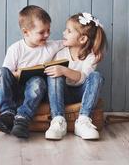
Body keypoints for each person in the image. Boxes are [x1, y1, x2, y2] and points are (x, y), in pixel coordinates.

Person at [0, 5, 63, 138]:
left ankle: (23, 118)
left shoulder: (51, 46)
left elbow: (69, 42)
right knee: (1, 72)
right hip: (15, 92)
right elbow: (6, 76)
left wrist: (91, 47)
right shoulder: (15, 49)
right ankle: (7, 114)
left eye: (48, 30)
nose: (47, 35)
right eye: (41, 32)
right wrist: (16, 74)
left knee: (38, 81)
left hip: (35, 93)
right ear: (26, 32)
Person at [44, 12, 107, 140]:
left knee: (96, 76)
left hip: (81, 93)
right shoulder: (60, 53)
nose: (63, 33)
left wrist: (64, 70)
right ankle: (58, 120)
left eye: (69, 31)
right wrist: (58, 71)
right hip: (62, 93)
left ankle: (83, 121)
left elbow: (84, 78)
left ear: (82, 39)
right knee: (53, 73)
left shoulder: (91, 57)